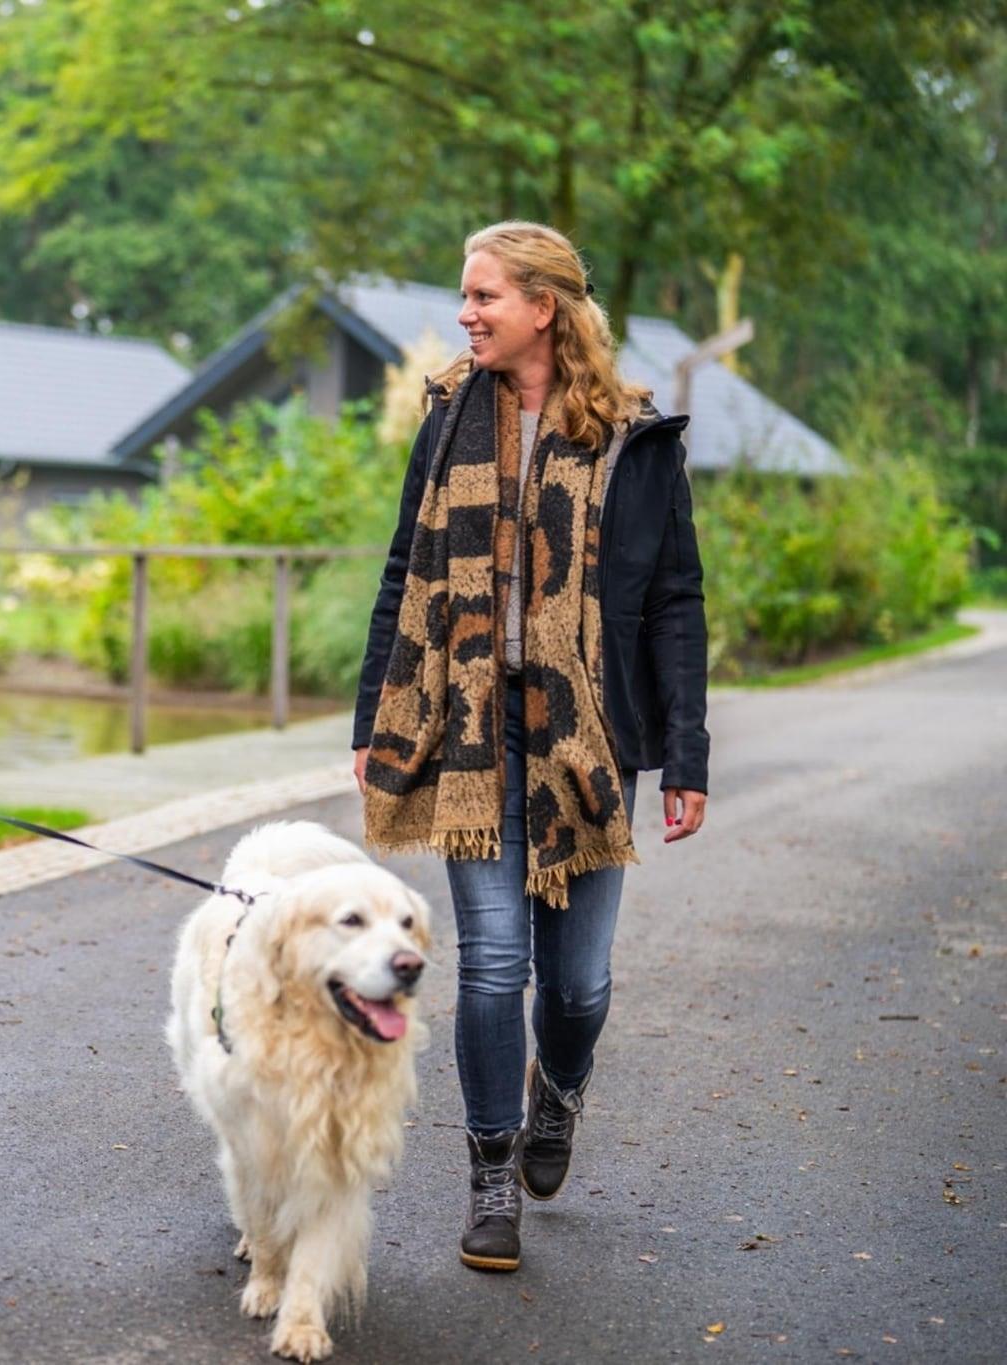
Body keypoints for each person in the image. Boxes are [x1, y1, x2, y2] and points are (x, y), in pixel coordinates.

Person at [350, 221, 709, 1273]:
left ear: (542, 308)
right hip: (470, 726)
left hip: (591, 736)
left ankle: (559, 1088)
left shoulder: (633, 436)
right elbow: (401, 570)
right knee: (493, 962)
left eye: (483, 296)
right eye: (465, 297)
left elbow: (675, 601)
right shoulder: (448, 417)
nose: (464, 315)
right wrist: (374, 717)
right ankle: (491, 1177)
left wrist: (685, 755)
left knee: (577, 985)